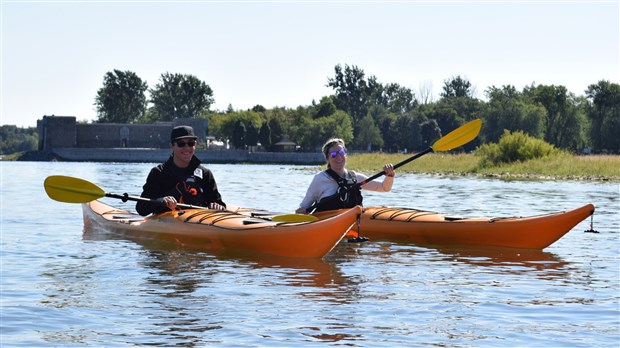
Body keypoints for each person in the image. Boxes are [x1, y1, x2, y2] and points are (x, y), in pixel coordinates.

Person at [136, 125, 226, 216]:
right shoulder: (158, 173)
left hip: (198, 225)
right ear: (172, 146)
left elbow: (219, 203)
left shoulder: (205, 174)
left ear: (195, 145)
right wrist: (161, 200)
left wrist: (217, 206)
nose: (187, 148)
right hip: (167, 225)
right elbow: (141, 208)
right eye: (181, 144)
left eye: (191, 143)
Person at [296, 138, 395, 214]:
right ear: (327, 159)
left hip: (354, 223)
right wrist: (301, 212)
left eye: (341, 153)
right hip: (327, 224)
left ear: (345, 155)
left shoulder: (355, 177)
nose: (339, 157)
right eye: (334, 154)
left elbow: (384, 188)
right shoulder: (320, 179)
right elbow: (304, 207)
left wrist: (389, 176)